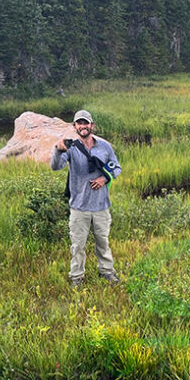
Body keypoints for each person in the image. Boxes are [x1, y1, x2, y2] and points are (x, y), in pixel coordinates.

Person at [51, 109, 122, 288]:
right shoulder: (71, 147)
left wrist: (104, 178)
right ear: (75, 127)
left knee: (103, 243)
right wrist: (58, 150)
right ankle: (77, 277)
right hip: (79, 207)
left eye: (86, 123)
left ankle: (107, 273)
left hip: (101, 207)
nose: (83, 126)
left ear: (92, 125)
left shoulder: (104, 147)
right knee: (78, 246)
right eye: (79, 123)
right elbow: (55, 166)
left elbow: (117, 168)